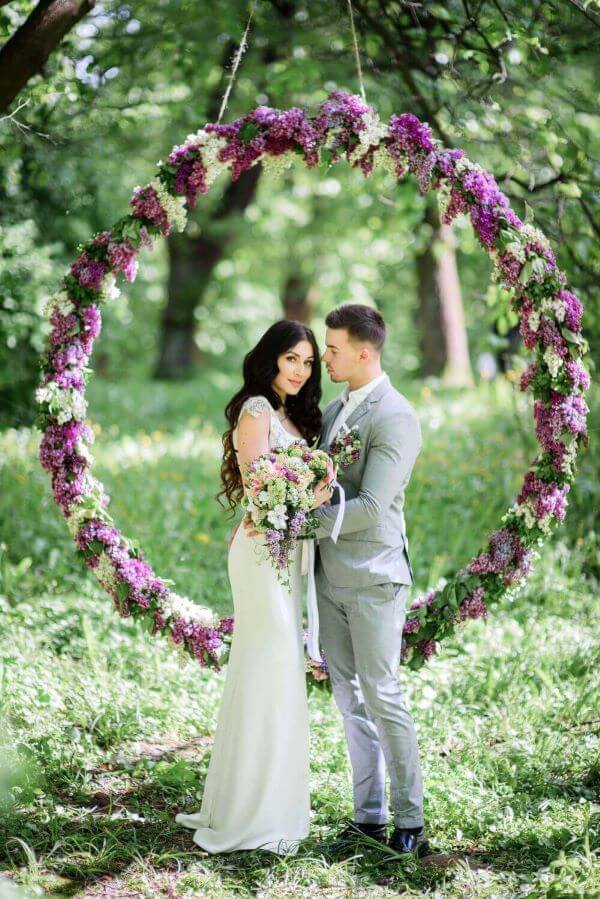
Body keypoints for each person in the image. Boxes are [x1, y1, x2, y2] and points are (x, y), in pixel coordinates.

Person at [174, 320, 333, 855]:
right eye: (291, 358)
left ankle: (268, 801)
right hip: (262, 553)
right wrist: (309, 493)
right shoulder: (256, 411)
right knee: (269, 667)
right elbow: (260, 492)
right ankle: (252, 813)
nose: (300, 370)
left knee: (274, 669)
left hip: (289, 559)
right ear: (270, 359)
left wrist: (317, 482)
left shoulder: (293, 416)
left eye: (308, 362)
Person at [312, 303, 428, 856]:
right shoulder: (337, 409)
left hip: (376, 578)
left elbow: (374, 505)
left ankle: (410, 819)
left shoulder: (395, 416)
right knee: (347, 698)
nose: (324, 357)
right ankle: (368, 815)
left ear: (364, 352)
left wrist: (295, 522)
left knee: (383, 696)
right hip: (329, 577)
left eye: (332, 349)